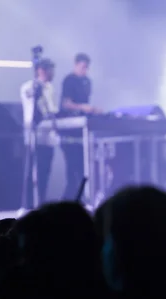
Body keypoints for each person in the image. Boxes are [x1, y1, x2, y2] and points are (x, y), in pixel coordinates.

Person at [58, 53, 102, 199]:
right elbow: (66, 104)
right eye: (83, 67)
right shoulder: (69, 80)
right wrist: (83, 107)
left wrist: (93, 110)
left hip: (82, 133)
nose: (85, 70)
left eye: (87, 68)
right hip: (69, 133)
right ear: (76, 65)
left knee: (84, 171)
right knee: (73, 174)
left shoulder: (87, 82)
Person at [19, 58, 58, 209]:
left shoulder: (50, 88)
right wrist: (38, 88)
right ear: (41, 70)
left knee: (45, 173)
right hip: (34, 137)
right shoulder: (28, 87)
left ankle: (40, 203)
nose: (53, 73)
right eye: (50, 69)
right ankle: (27, 205)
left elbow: (52, 110)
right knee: (31, 173)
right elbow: (32, 107)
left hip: (48, 138)